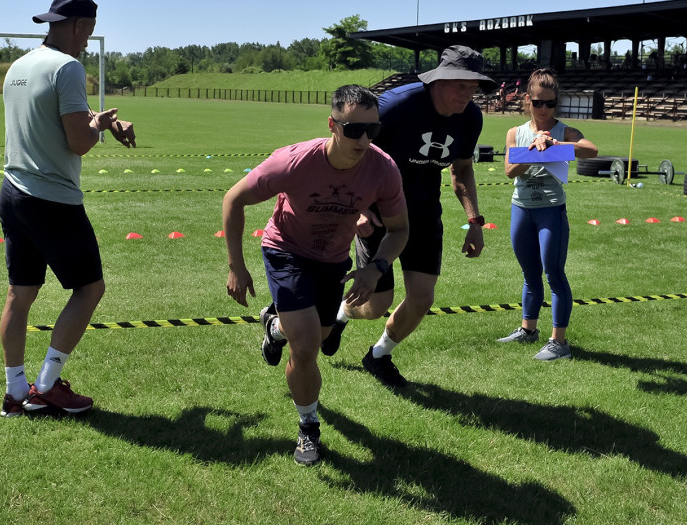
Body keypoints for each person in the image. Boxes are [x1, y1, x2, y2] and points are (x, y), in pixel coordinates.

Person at [223, 85, 408, 465]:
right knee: (306, 347)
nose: (365, 139)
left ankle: (275, 328)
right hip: (286, 250)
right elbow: (233, 199)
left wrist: (376, 267)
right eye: (354, 129)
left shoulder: (382, 168)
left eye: (373, 130)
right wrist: (236, 266)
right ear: (332, 125)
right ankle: (309, 427)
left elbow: (400, 229)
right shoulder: (293, 161)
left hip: (333, 259)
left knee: (322, 335)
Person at [0, 0, 136, 418]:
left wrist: (103, 122)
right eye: (88, 32)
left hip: (13, 193)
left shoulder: (19, 67)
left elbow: (59, 123)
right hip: (51, 199)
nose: (87, 41)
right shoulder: (68, 67)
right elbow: (78, 141)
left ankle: (15, 392)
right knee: (90, 288)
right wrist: (98, 129)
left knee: (20, 295)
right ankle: (47, 386)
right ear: (78, 25)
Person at [328, 45, 496, 388]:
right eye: (461, 85)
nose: (468, 94)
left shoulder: (471, 118)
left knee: (422, 297)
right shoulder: (394, 106)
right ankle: (340, 315)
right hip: (377, 215)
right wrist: (357, 210)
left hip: (422, 214)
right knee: (375, 305)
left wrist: (474, 221)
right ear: (440, 79)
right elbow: (347, 153)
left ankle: (379, 356)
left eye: (474, 86)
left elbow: (461, 169)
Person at [495, 69, 598, 360]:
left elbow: (591, 150)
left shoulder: (564, 131)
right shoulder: (515, 132)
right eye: (538, 102)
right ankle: (528, 330)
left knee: (554, 274)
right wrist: (533, 152)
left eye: (549, 103)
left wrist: (555, 144)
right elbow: (509, 170)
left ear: (556, 103)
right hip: (521, 208)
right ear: (527, 100)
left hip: (550, 211)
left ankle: (559, 343)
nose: (543, 109)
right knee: (529, 275)